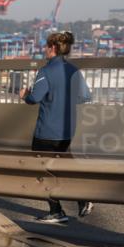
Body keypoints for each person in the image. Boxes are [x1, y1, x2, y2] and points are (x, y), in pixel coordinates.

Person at [21, 31, 94, 224]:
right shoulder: (74, 70)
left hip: (46, 131)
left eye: (46, 46)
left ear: (52, 48)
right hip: (67, 130)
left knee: (41, 171)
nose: (45, 50)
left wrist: (24, 95)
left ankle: (56, 211)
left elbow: (34, 98)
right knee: (62, 168)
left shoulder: (45, 71)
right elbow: (85, 96)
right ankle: (82, 199)